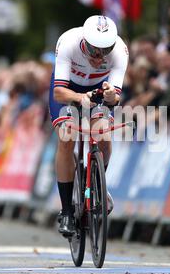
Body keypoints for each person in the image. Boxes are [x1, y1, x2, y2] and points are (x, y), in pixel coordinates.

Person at [50, 15, 129, 237]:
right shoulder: (68, 42)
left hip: (98, 90)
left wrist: (112, 96)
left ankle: (97, 184)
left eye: (105, 50)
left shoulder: (120, 51)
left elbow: (114, 98)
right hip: (68, 89)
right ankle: (66, 211)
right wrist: (78, 96)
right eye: (94, 50)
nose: (99, 56)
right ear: (85, 42)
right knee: (67, 137)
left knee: (103, 132)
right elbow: (58, 92)